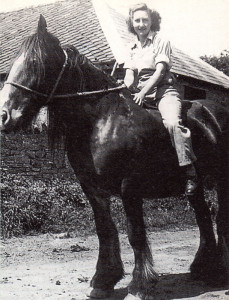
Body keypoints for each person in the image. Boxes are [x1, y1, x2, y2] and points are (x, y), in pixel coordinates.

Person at [123, 3, 198, 195]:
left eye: (145, 20)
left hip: (163, 92)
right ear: (132, 23)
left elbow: (159, 71)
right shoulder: (130, 47)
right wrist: (126, 85)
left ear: (152, 21)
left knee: (173, 123)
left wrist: (141, 93)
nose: (141, 24)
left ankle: (189, 171)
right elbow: (130, 74)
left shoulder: (161, 41)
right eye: (137, 20)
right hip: (139, 93)